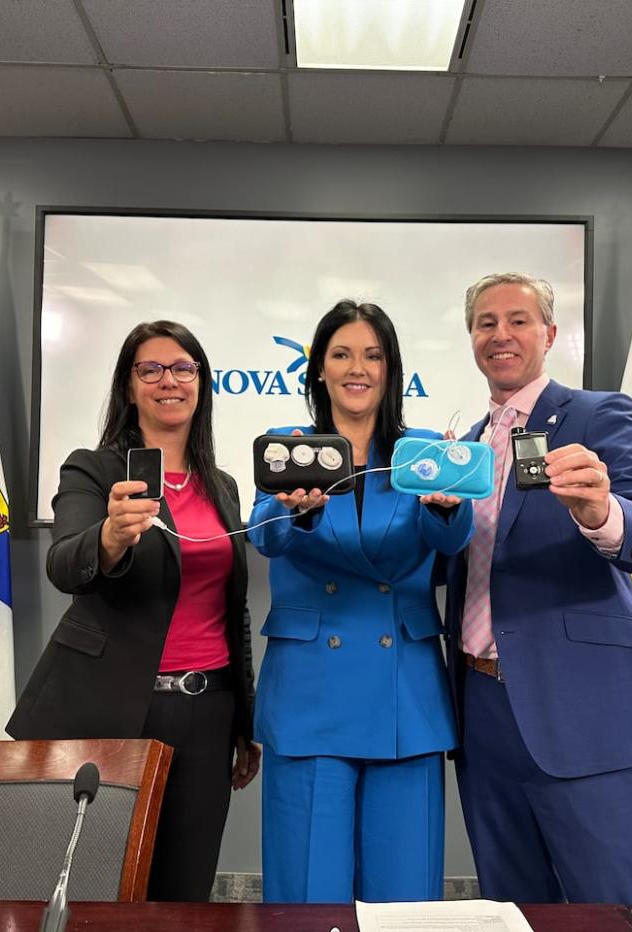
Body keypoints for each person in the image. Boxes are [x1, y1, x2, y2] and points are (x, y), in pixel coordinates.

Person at [444, 273, 632, 905]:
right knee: (515, 910)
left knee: (617, 912)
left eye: (518, 320)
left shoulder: (597, 414)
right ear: (471, 338)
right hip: (482, 712)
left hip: (588, 710)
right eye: (486, 322)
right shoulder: (462, 450)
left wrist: (600, 513)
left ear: (549, 335)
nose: (501, 335)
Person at [7, 320, 260, 902]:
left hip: (209, 711)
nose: (168, 381)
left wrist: (246, 724)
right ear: (129, 386)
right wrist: (111, 538)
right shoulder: (93, 470)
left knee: (185, 889)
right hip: (117, 709)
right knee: (102, 891)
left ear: (202, 382)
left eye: (182, 368)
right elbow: (65, 565)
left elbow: (234, 610)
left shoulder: (221, 485)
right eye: (150, 369)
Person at [249, 300, 474, 904]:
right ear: (318, 368)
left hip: (404, 692)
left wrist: (451, 511)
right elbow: (266, 536)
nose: (358, 368)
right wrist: (297, 510)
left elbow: (451, 544)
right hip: (309, 693)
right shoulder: (290, 448)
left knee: (405, 900)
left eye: (373, 355)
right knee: (307, 898)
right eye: (342, 354)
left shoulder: (422, 450)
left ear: (390, 369)